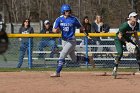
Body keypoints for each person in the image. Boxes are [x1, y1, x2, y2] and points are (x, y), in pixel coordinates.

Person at [50, 4, 87, 77]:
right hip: (64, 40)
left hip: (71, 40)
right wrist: (56, 30)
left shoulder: (74, 19)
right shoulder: (59, 19)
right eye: (66, 11)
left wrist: (86, 33)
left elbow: (81, 27)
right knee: (74, 59)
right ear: (63, 11)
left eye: (69, 10)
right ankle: (88, 59)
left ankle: (57, 72)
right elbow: (54, 29)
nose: (68, 12)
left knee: (62, 54)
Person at [112, 12, 140, 78]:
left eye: (136, 16)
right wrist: (127, 43)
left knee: (138, 51)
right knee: (120, 53)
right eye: (134, 17)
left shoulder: (137, 24)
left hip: (127, 39)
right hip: (118, 39)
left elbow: (135, 34)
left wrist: (138, 43)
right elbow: (119, 36)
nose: (136, 18)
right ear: (130, 18)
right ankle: (115, 69)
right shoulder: (125, 25)